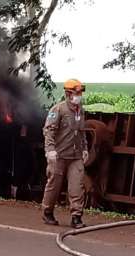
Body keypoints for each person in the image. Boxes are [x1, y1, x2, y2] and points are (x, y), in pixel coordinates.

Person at [41, 79, 89, 229]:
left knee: (77, 186)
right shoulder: (58, 110)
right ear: (68, 94)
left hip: (75, 156)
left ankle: (76, 217)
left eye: (80, 93)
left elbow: (82, 132)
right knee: (53, 184)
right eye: (77, 93)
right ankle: (47, 212)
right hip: (59, 155)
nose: (79, 96)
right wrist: (50, 150)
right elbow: (49, 131)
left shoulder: (80, 110)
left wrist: (85, 148)